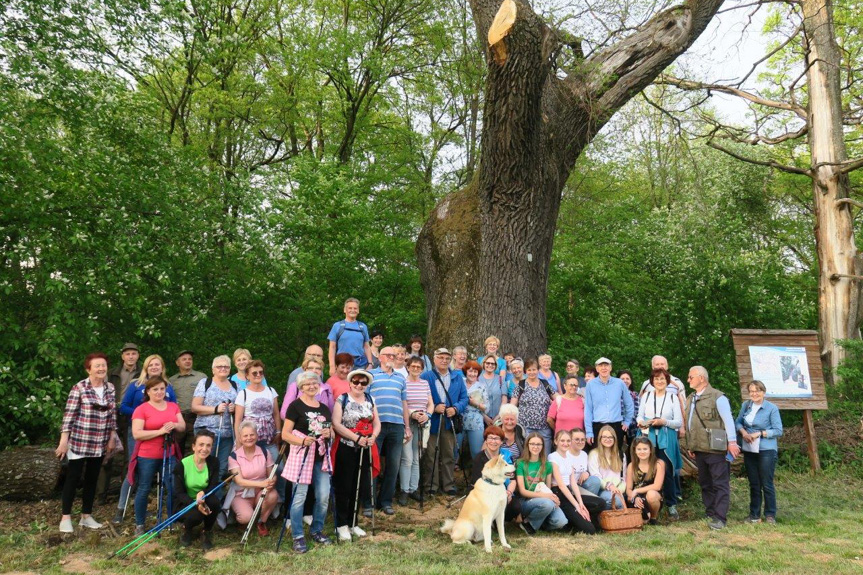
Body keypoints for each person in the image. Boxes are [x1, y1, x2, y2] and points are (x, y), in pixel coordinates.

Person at [56, 352, 117, 533]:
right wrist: (63, 441)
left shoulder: (110, 388)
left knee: (92, 479)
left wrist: (112, 438)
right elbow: (69, 415)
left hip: (100, 441)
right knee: (73, 478)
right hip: (80, 440)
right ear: (88, 369)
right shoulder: (79, 388)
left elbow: (112, 414)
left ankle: (86, 516)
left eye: (104, 365)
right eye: (97, 366)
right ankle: (65, 517)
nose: (101, 368)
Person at [114, 355, 178, 524]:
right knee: (134, 469)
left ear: (162, 367)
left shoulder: (168, 387)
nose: (154, 367)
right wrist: (142, 413)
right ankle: (121, 507)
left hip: (164, 438)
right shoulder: (136, 384)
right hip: (140, 430)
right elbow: (124, 406)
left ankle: (162, 512)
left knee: (163, 476)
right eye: (151, 364)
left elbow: (173, 408)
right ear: (146, 367)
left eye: (158, 364)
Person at [282, 371, 334, 553]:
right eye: (307, 384)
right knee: (299, 498)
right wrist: (302, 441)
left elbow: (330, 431)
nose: (312, 386)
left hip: (320, 458)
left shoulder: (324, 408)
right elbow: (285, 434)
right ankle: (297, 535)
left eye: (314, 383)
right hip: (302, 457)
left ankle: (317, 530)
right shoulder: (295, 407)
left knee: (323, 496)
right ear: (300, 387)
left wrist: (329, 434)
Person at [683, 366, 740, 530]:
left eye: (690, 377)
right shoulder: (690, 398)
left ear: (701, 378)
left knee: (720, 483)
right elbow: (689, 424)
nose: (688, 380)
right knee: (705, 482)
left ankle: (720, 517)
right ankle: (710, 512)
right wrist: (690, 444)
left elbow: (728, 420)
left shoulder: (718, 397)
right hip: (699, 448)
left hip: (716, 448)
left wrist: (732, 442)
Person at [129, 377, 185, 534]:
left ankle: (171, 519)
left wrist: (174, 424)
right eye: (155, 389)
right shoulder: (142, 409)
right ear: (148, 391)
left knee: (173, 486)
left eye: (162, 388)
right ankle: (140, 524)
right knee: (144, 488)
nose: (159, 392)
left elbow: (182, 426)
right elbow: (137, 433)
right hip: (147, 455)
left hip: (169, 453)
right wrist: (160, 432)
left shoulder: (173, 406)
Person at [331, 369, 381, 541]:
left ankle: (353, 522)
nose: (359, 385)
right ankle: (341, 524)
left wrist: (373, 437)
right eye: (356, 382)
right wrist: (355, 437)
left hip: (365, 447)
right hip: (347, 446)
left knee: (359, 485)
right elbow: (336, 423)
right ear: (350, 382)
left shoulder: (370, 399)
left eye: (363, 382)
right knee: (344, 486)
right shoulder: (342, 399)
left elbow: (377, 422)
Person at [367, 346, 410, 514]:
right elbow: (367, 400)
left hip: (397, 425)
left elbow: (404, 403)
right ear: (381, 357)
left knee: (393, 465)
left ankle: (385, 502)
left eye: (394, 355)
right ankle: (369, 502)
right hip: (376, 426)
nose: (392, 357)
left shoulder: (401, 378)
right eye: (389, 355)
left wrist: (407, 427)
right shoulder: (371, 375)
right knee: (373, 464)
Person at [637, 367, 683, 519]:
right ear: (652, 381)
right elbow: (639, 416)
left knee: (668, 471)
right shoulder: (647, 396)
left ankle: (671, 505)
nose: (660, 381)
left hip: (666, 437)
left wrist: (664, 421)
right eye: (656, 379)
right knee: (646, 470)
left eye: (662, 379)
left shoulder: (673, 398)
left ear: (667, 381)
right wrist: (643, 422)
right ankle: (648, 504)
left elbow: (678, 422)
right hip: (648, 436)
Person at [421, 348, 468, 497]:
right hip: (432, 421)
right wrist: (433, 407)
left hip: (449, 421)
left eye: (447, 358)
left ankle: (448, 485)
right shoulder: (426, 376)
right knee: (431, 454)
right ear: (434, 359)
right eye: (440, 357)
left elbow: (464, 398)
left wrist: (455, 408)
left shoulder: (457, 376)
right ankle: (431, 485)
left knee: (449, 453)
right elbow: (419, 397)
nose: (444, 361)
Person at [736, 380, 783, 524]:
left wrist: (759, 434)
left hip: (766, 449)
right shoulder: (746, 405)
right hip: (750, 449)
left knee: (766, 483)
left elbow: (778, 431)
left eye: (757, 391)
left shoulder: (771, 408)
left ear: (763, 392)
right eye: (751, 391)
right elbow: (737, 422)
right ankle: (754, 515)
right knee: (754, 483)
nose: (754, 394)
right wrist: (743, 432)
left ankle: (770, 515)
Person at [234, 360, 282, 500]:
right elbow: (238, 420)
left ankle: (279, 501)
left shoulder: (270, 391)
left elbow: (276, 414)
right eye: (254, 373)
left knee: (278, 469)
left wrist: (278, 432)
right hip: (250, 440)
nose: (258, 375)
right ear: (247, 376)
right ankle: (249, 500)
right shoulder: (243, 394)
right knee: (253, 471)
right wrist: (238, 442)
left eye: (260, 372)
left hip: (269, 438)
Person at [191, 355, 238, 480]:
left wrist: (234, 409)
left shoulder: (235, 385)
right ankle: (199, 495)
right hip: (206, 431)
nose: (223, 368)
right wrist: (215, 409)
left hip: (227, 434)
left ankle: (216, 497)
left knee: (221, 468)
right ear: (213, 369)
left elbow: (240, 408)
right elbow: (195, 407)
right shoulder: (205, 383)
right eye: (219, 366)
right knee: (203, 465)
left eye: (226, 366)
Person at [228, 421, 279, 535]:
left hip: (260, 492)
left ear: (256, 435)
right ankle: (246, 520)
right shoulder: (234, 456)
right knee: (246, 517)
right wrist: (261, 484)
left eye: (252, 435)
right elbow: (239, 481)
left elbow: (272, 474)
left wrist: (272, 481)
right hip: (241, 494)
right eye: (245, 436)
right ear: (240, 438)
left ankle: (261, 521)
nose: (249, 438)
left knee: (273, 495)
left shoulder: (265, 452)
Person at [173, 430, 221, 549]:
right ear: (194, 446)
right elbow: (179, 493)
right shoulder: (182, 465)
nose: (204, 449)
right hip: (186, 501)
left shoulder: (214, 462)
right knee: (196, 516)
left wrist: (203, 493)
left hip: (205, 498)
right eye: (201, 444)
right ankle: (186, 529)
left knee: (214, 503)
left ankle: (206, 531)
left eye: (208, 445)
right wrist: (195, 503)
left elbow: (213, 485)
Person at [547, 430, 600, 534]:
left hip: (569, 491)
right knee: (591, 530)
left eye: (568, 441)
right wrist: (576, 506)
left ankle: (576, 519)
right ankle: (572, 521)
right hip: (559, 493)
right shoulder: (553, 457)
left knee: (600, 503)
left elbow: (573, 483)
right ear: (556, 441)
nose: (565, 443)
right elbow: (561, 485)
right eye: (562, 440)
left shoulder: (568, 457)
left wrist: (581, 504)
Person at [515, 432, 568, 534]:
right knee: (547, 503)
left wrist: (553, 497)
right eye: (532, 444)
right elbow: (522, 491)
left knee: (561, 522)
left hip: (543, 500)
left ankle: (538, 522)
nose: (535, 447)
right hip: (526, 501)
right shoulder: (521, 463)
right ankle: (529, 524)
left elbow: (547, 488)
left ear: (543, 446)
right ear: (527, 445)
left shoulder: (547, 465)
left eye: (539, 444)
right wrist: (546, 497)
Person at [399, 356, 433, 504]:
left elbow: (431, 403)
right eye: (413, 366)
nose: (415, 369)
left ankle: (413, 489)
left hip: (422, 424)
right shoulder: (402, 383)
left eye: (418, 367)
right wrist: (412, 414)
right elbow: (401, 404)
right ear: (408, 367)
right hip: (407, 423)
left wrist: (428, 415)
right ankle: (404, 490)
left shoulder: (425, 384)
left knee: (416, 458)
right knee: (407, 458)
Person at [468, 426, 521, 521]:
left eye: (497, 438)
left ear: (501, 442)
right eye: (490, 438)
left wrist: (508, 493)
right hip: (485, 494)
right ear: (486, 441)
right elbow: (477, 483)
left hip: (504, 492)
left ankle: (500, 521)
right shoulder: (479, 458)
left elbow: (512, 479)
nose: (493, 441)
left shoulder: (507, 456)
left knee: (516, 506)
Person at [584, 357, 633, 452]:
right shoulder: (590, 384)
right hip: (598, 425)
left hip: (616, 425)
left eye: (606, 365)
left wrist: (627, 421)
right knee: (598, 455)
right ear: (597, 369)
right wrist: (589, 432)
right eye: (601, 366)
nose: (604, 368)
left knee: (616, 454)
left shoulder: (619, 383)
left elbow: (629, 404)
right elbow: (588, 409)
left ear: (610, 368)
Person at [510, 358, 555, 453]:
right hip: (526, 427)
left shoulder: (545, 384)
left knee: (545, 455)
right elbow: (512, 405)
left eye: (534, 369)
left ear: (538, 370)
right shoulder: (521, 385)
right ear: (525, 371)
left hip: (544, 427)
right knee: (528, 455)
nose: (532, 372)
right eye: (529, 370)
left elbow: (558, 398)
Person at [169, 350, 206, 454]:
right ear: (177, 363)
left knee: (195, 447)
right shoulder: (171, 380)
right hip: (178, 418)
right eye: (184, 359)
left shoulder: (201, 377)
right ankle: (177, 469)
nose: (187, 361)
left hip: (196, 417)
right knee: (176, 448)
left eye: (190, 359)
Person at [328, 297, 373, 373]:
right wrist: (332, 366)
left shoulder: (363, 327)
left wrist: (370, 364)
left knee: (359, 384)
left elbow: (367, 346)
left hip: (360, 364)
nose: (352, 310)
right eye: (350, 308)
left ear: (358, 310)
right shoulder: (338, 326)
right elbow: (332, 347)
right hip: (342, 363)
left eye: (355, 308)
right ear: (345, 310)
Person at [626, 437, 665, 524]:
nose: (642, 452)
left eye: (645, 449)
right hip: (637, 497)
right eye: (639, 449)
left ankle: (653, 518)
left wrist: (636, 491)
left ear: (650, 450)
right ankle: (645, 517)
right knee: (629, 498)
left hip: (652, 495)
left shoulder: (658, 463)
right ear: (635, 451)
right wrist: (635, 497)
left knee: (651, 494)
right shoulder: (631, 466)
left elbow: (657, 486)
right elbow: (628, 488)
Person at [588, 425, 626, 510]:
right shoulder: (594, 454)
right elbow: (595, 476)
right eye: (604, 437)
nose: (608, 439)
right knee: (617, 502)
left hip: (618, 489)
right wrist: (610, 487)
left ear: (614, 439)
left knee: (619, 501)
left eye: (610, 437)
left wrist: (619, 490)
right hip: (603, 489)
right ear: (600, 439)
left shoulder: (621, 454)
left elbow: (624, 477)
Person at [567, 428, 603, 497]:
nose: (580, 442)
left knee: (595, 480)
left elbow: (587, 471)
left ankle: (589, 504)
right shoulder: (565, 454)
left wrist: (587, 473)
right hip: (568, 488)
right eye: (577, 439)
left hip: (580, 486)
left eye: (583, 439)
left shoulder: (584, 454)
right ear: (570, 440)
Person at [478, 354, 507, 423]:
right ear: (483, 364)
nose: (490, 365)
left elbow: (504, 399)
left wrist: (499, 416)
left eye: (492, 364)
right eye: (488, 363)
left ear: (495, 365)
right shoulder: (477, 379)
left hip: (498, 418)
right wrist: (485, 417)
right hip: (481, 418)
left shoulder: (500, 379)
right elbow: (475, 401)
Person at [617, 369, 640, 449]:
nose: (625, 381)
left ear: (631, 381)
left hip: (633, 428)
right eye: (622, 379)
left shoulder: (635, 394)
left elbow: (636, 411)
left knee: (632, 451)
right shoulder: (614, 394)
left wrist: (628, 423)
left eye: (627, 379)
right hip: (618, 426)